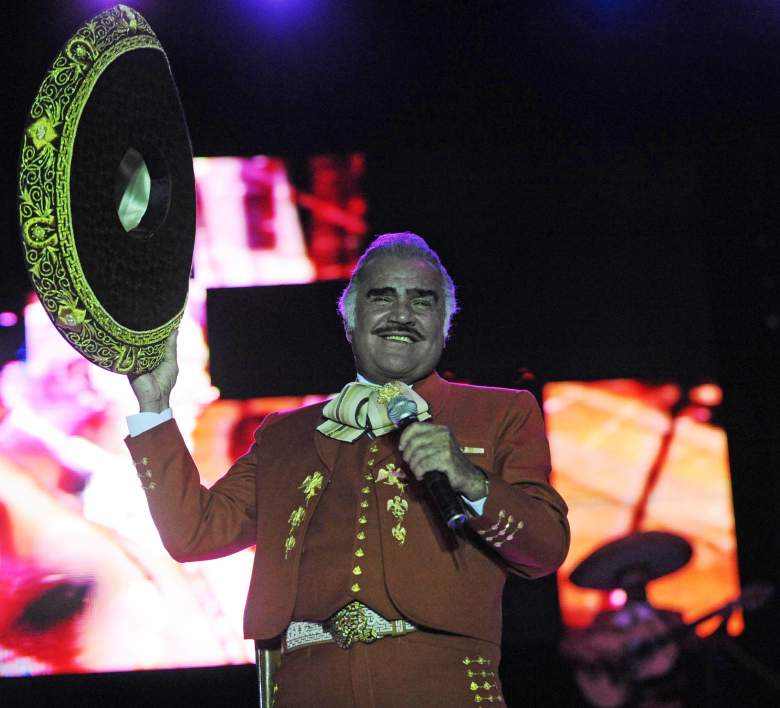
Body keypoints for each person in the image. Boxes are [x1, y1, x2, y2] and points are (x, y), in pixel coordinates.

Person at [125, 232, 570, 706]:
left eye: (422, 301)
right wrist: (154, 408)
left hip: (439, 685)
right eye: (383, 298)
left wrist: (469, 478)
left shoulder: (500, 413)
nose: (402, 314)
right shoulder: (286, 434)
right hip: (308, 689)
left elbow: (544, 549)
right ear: (350, 319)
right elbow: (195, 534)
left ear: (445, 324)